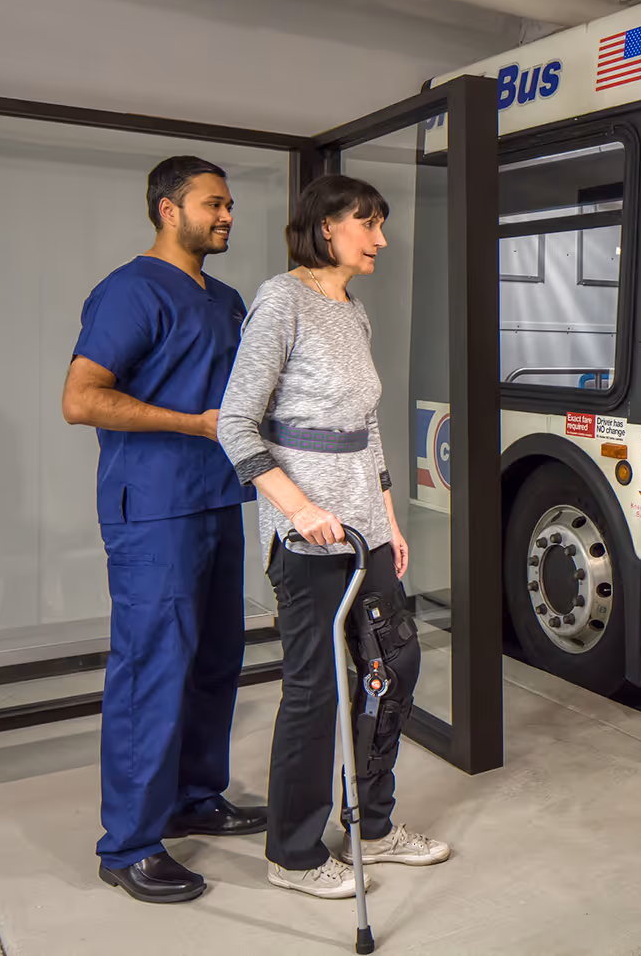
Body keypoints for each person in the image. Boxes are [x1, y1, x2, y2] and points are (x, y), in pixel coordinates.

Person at [218, 174, 449, 900]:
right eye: (368, 223)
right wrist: (297, 506)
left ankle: (371, 828)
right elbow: (235, 423)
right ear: (327, 228)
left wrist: (389, 515)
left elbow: (368, 426)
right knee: (318, 691)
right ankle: (290, 851)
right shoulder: (280, 301)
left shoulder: (354, 310)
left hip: (366, 528)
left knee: (393, 670)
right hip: (307, 533)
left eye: (381, 224)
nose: (381, 238)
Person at [61, 156, 268, 904]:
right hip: (153, 509)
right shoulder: (131, 291)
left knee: (216, 658)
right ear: (166, 208)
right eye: (213, 204)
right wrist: (192, 424)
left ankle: (194, 794)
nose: (227, 217)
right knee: (151, 669)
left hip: (218, 501)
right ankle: (130, 844)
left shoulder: (228, 298)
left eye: (230, 205)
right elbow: (81, 399)